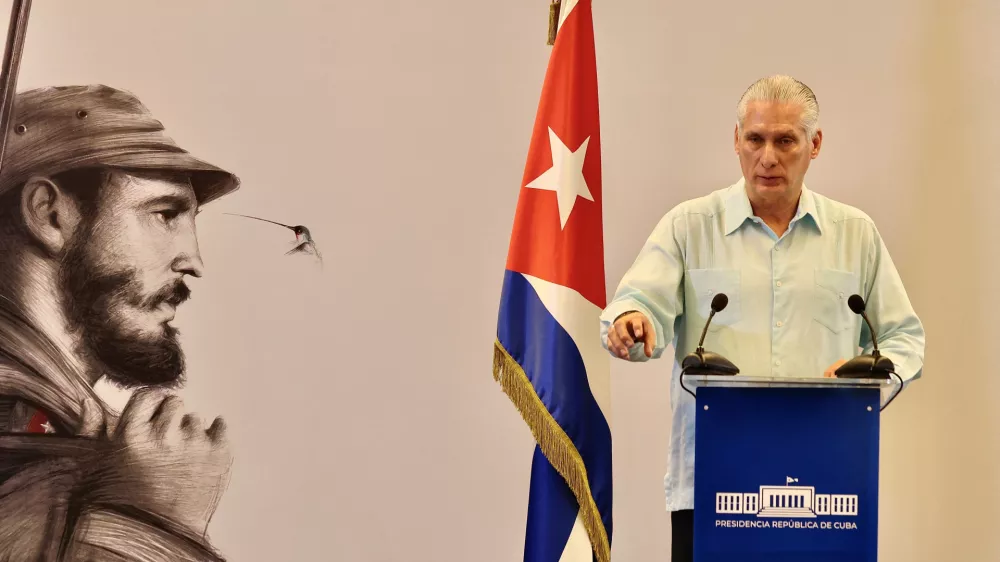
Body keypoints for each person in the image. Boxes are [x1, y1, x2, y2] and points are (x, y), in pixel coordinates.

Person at [599, 75, 925, 562]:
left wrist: (870, 381)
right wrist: (632, 321)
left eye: (785, 140)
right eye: (755, 139)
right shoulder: (690, 226)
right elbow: (638, 307)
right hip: (715, 488)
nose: (768, 156)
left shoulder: (855, 234)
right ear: (736, 141)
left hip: (827, 491)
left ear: (814, 145)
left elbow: (903, 338)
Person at [0, 84, 240, 561]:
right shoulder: (20, 441)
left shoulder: (78, 436)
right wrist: (148, 523)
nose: (192, 261)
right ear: (49, 214)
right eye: (165, 214)